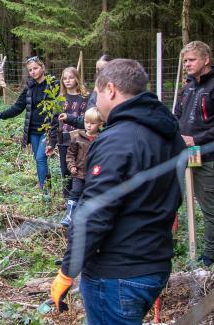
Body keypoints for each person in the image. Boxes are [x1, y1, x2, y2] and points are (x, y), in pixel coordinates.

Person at [50, 59, 184, 325]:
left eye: (97, 93)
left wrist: (67, 271)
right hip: (154, 264)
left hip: (116, 272)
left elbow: (95, 214)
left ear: (110, 90)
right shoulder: (171, 135)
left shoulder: (116, 141)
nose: (95, 101)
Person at [173, 41, 214, 267]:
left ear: (206, 60)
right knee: (173, 196)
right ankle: (175, 244)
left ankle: (210, 256)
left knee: (209, 206)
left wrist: (196, 139)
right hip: (187, 153)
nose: (187, 64)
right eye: (185, 61)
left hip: (211, 156)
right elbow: (177, 117)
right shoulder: (188, 87)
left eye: (191, 60)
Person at [0, 57, 59, 193]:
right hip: (33, 130)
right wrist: (0, 115)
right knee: (39, 159)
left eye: (35, 68)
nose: (33, 72)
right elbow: (18, 107)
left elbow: (61, 105)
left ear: (42, 67)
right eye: (30, 70)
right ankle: (45, 184)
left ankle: (46, 192)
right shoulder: (29, 87)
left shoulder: (54, 84)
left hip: (48, 129)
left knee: (41, 158)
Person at [60, 107, 102, 227]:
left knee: (90, 195)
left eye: (92, 123)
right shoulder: (77, 138)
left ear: (100, 124)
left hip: (94, 175)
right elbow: (70, 154)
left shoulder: (101, 139)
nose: (88, 125)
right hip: (78, 173)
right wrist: (72, 166)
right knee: (75, 192)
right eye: (86, 122)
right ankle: (69, 216)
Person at [56, 67, 90, 200]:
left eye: (70, 77)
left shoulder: (85, 97)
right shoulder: (60, 98)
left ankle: (80, 198)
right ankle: (67, 200)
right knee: (65, 171)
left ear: (77, 78)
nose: (67, 80)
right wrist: (51, 142)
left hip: (80, 140)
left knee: (79, 170)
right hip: (63, 140)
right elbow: (54, 122)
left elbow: (87, 120)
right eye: (64, 78)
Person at [60, 54, 113, 130]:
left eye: (103, 69)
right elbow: (89, 119)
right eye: (97, 70)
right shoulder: (96, 90)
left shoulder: (87, 96)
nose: (99, 73)